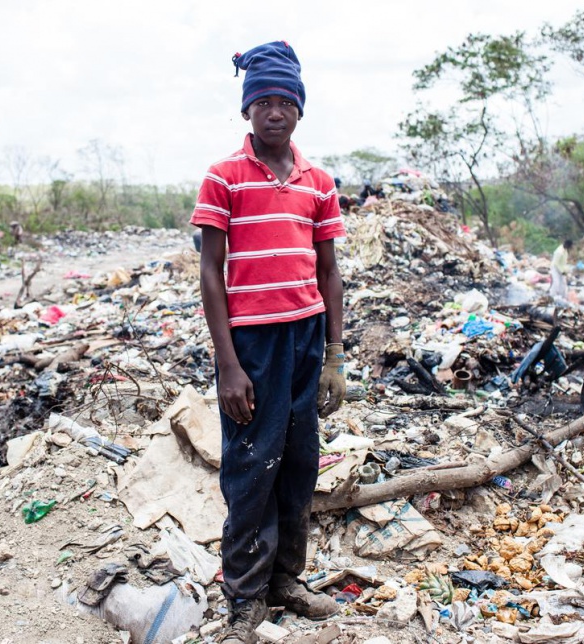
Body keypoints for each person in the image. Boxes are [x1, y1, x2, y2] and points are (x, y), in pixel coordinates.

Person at [190, 41, 346, 644]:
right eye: (263, 102)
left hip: (306, 336)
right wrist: (227, 365)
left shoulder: (319, 183)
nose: (274, 112)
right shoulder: (223, 176)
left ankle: (287, 580)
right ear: (246, 111)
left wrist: (334, 356)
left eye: (285, 102)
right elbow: (211, 273)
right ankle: (245, 596)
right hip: (252, 344)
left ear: (300, 112)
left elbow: (329, 273)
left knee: (300, 462)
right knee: (252, 464)